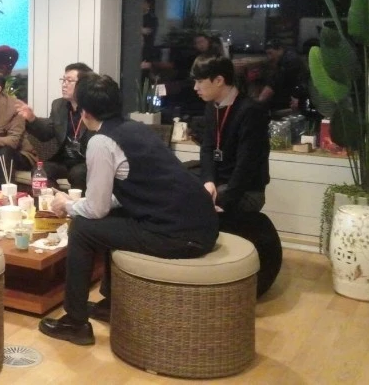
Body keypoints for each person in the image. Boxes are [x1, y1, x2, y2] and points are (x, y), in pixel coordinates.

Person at [37, 72, 218, 346]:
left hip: (180, 236)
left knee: (83, 229)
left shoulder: (101, 141)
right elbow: (126, 194)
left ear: (84, 112)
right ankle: (110, 304)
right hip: (200, 224)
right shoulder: (134, 129)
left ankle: (75, 322)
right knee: (107, 220)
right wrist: (78, 205)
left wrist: (68, 205)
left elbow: (95, 209)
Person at [192, 55, 281, 296]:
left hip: (246, 191)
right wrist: (208, 182)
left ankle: (213, 276)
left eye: (200, 81)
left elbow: (246, 167)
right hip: (219, 184)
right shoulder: (211, 107)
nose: (195, 88)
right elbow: (207, 148)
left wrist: (220, 200)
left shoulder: (251, 111)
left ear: (219, 80)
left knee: (198, 205)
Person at [15, 62, 93, 190]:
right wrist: (32, 119)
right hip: (64, 161)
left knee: (78, 173)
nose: (64, 84)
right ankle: (50, 200)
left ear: (83, 84)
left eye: (69, 81)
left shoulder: (92, 107)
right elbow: (46, 134)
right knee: (40, 170)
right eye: (63, 80)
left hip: (85, 161)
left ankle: (77, 204)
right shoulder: (59, 105)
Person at [258, 39, 306, 113]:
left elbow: (274, 83)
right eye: (267, 54)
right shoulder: (287, 57)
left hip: (295, 100)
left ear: (280, 49)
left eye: (270, 53)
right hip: (294, 95)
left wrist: (259, 102)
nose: (269, 57)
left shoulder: (289, 61)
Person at [139, 0, 159, 76]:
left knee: (145, 74)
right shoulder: (137, 16)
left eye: (143, 2)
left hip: (147, 51)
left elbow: (148, 31)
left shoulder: (152, 18)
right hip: (137, 49)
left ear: (148, 4)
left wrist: (138, 30)